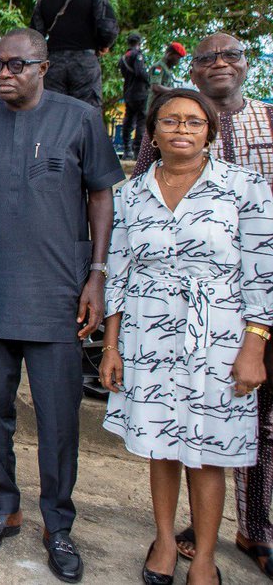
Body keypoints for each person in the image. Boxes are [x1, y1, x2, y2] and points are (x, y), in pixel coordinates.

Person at [0, 28, 123, 582]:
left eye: (15, 65)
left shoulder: (80, 119)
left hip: (59, 294)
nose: (2, 74)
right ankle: (4, 507)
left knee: (58, 420)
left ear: (43, 67)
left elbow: (101, 194)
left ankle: (59, 523)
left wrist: (96, 276)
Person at [99, 88, 273, 585]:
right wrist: (112, 348)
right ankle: (162, 540)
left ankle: (204, 557)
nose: (182, 129)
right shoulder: (131, 193)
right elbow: (120, 270)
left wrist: (255, 345)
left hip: (219, 334)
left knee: (209, 450)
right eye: (171, 121)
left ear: (209, 133)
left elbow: (263, 271)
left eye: (194, 122)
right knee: (161, 445)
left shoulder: (244, 186)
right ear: (153, 131)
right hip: (147, 332)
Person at [29, 0, 119, 112]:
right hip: (84, 62)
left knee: (53, 112)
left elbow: (35, 37)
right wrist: (104, 45)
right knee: (87, 113)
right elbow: (108, 28)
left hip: (53, 64)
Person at [118, 33, 149, 158]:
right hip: (140, 92)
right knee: (142, 120)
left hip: (128, 92)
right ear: (139, 43)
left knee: (128, 120)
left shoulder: (124, 57)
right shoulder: (138, 55)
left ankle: (127, 149)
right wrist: (149, 80)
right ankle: (138, 150)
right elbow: (140, 71)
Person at [148, 42, 187, 112]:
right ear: (169, 54)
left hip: (164, 104)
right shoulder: (159, 67)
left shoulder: (168, 68)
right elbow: (156, 87)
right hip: (155, 106)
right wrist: (175, 91)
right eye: (177, 58)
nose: (178, 61)